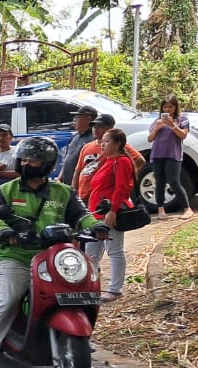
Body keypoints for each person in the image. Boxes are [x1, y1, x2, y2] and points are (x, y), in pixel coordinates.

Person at [0, 136, 107, 368]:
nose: (26, 163)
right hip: (16, 255)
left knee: (79, 288)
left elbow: (81, 214)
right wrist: (6, 232)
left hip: (53, 257)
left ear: (46, 164)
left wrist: (96, 226)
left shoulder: (63, 192)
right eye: (23, 159)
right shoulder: (5, 190)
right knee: (9, 299)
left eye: (33, 160)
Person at [84, 128, 136, 303]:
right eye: (102, 141)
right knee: (91, 252)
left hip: (108, 212)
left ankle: (115, 289)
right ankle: (90, 287)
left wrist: (113, 209)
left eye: (107, 141)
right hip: (96, 213)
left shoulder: (121, 161)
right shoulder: (106, 160)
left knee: (114, 250)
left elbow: (122, 187)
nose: (102, 144)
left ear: (118, 144)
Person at [72, 113, 145, 199]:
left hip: (103, 196)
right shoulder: (87, 147)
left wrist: (126, 177)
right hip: (84, 194)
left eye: (99, 126)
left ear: (110, 128)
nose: (95, 129)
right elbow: (78, 171)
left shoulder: (116, 146)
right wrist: (73, 191)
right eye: (94, 126)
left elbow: (140, 160)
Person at [147, 94, 195, 219]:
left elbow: (183, 135)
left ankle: (187, 208)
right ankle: (161, 210)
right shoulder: (157, 121)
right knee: (160, 182)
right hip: (157, 155)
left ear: (175, 107)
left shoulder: (182, 119)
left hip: (173, 155)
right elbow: (150, 139)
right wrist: (157, 128)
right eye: (165, 107)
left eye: (170, 106)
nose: (167, 109)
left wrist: (172, 125)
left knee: (174, 181)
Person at [59, 105, 98, 197]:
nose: (74, 120)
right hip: (68, 186)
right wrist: (60, 177)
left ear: (88, 119)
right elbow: (67, 159)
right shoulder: (75, 137)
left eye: (78, 117)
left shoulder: (93, 140)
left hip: (82, 190)